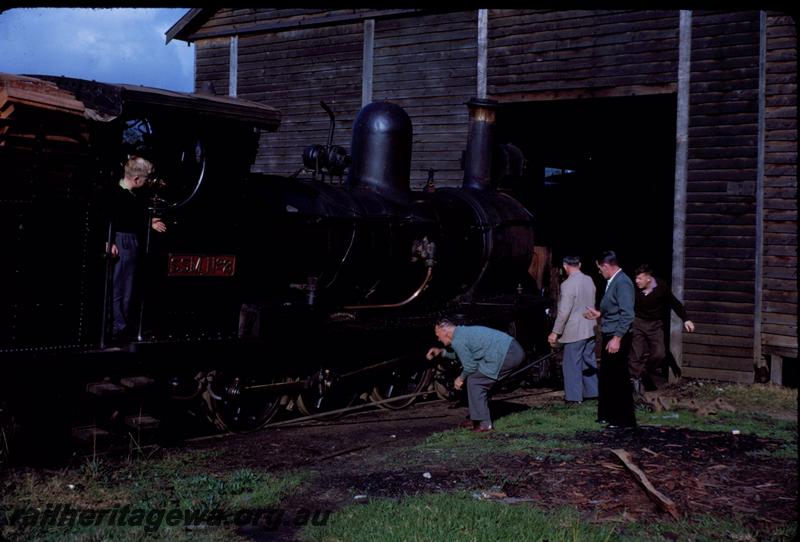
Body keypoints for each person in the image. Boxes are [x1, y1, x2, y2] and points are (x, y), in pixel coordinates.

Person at [426, 318, 525, 432]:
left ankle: (483, 424)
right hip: (511, 349)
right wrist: (442, 352)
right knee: (477, 380)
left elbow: (470, 367)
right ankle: (477, 419)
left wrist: (460, 378)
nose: (438, 338)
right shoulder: (461, 334)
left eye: (438, 334)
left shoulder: (458, 340)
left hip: (509, 354)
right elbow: (462, 354)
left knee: (475, 382)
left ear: (445, 332)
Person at [107, 155, 167, 340]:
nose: (147, 182)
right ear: (136, 179)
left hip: (130, 242)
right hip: (122, 242)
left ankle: (122, 325)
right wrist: (108, 241)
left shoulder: (134, 195)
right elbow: (106, 218)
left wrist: (149, 221)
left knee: (129, 288)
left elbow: (133, 215)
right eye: (146, 179)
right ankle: (118, 327)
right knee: (120, 288)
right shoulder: (115, 194)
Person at [583, 250, 636, 428]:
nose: (599, 272)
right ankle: (607, 415)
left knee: (618, 378)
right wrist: (599, 314)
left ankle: (623, 419)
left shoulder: (622, 282)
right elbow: (614, 308)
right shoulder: (612, 282)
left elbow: (627, 314)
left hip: (617, 336)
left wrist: (617, 338)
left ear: (606, 266)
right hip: (609, 333)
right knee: (607, 377)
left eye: (599, 269)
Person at [629, 264, 695, 394]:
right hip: (638, 323)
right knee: (636, 354)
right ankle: (635, 384)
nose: (637, 281)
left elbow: (674, 303)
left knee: (659, 353)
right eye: (636, 278)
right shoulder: (634, 290)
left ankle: (644, 371)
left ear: (648, 278)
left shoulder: (661, 287)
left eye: (640, 278)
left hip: (655, 325)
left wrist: (686, 319)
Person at [548, 255, 598, 404]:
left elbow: (564, 311)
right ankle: (592, 393)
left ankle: (573, 398)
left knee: (571, 364)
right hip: (590, 327)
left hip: (575, 331)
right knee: (588, 361)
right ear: (580, 264)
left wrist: (555, 332)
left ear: (565, 266)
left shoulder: (568, 284)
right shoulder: (589, 280)